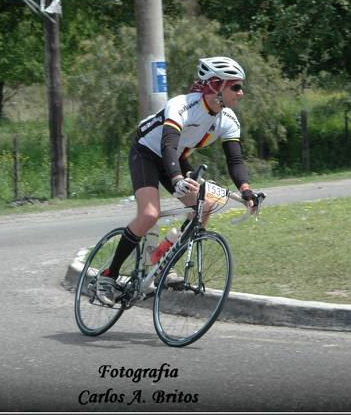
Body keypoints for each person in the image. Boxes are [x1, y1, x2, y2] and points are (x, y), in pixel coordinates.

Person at [97, 56, 257, 306]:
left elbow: (235, 161)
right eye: (235, 86)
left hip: (175, 158)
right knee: (150, 214)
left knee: (205, 205)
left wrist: (246, 191)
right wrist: (177, 178)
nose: (241, 93)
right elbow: (168, 144)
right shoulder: (182, 105)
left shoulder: (228, 120)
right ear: (215, 84)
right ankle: (109, 276)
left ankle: (162, 258)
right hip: (147, 152)